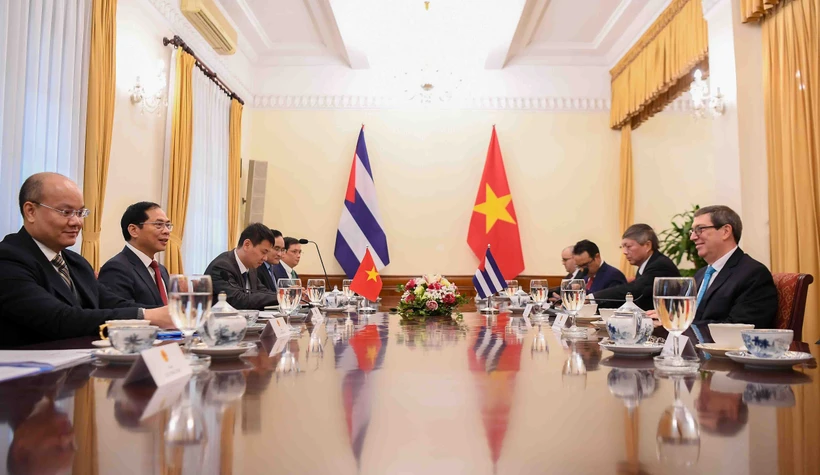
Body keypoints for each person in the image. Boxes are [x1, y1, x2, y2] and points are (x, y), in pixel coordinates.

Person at [0, 173, 173, 348]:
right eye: (66, 212)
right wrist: (145, 316)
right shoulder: (8, 258)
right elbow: (59, 318)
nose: (77, 222)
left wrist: (165, 313)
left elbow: (111, 302)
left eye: (80, 213)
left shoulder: (76, 263)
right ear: (30, 211)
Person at [689, 205, 777, 328]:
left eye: (700, 229)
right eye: (692, 231)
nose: (692, 237)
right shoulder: (700, 275)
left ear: (726, 231)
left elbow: (741, 327)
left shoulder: (753, 274)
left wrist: (684, 325)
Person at [591, 224, 680, 310]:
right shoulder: (645, 266)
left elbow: (635, 290)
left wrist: (593, 298)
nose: (624, 252)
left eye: (629, 246)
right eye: (622, 247)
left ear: (647, 245)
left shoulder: (660, 265)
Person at [98, 202, 171, 306]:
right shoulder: (116, 269)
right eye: (158, 225)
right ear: (134, 230)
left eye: (168, 225)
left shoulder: (161, 270)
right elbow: (121, 313)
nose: (166, 231)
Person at [205, 223, 278, 310]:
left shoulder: (251, 269)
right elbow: (238, 300)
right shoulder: (221, 267)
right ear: (247, 245)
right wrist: (279, 298)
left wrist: (285, 296)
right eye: (263, 252)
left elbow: (263, 292)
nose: (265, 258)